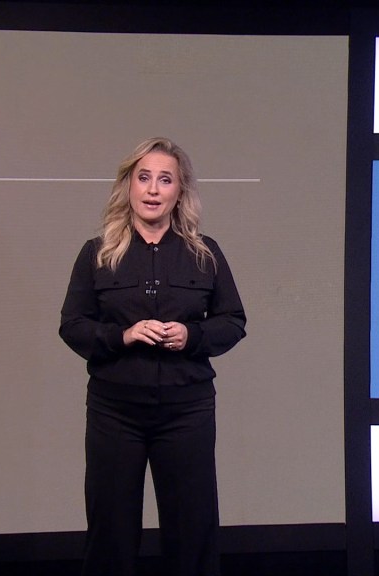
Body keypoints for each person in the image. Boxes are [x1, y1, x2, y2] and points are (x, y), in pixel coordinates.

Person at [59, 137, 246, 576]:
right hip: (114, 412)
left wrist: (192, 335)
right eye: (144, 178)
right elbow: (73, 325)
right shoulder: (97, 253)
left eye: (165, 180)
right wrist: (122, 336)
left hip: (187, 411)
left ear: (180, 191)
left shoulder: (205, 254)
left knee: (192, 531)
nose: (153, 190)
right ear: (129, 185)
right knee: (110, 532)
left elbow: (233, 321)